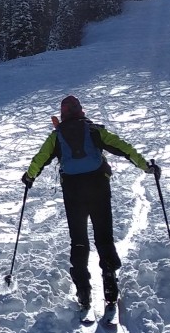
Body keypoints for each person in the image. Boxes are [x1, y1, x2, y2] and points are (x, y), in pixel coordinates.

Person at [20, 95, 159, 313]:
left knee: (78, 239)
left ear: (63, 114)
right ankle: (109, 281)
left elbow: (41, 158)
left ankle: (83, 291)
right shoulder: (94, 130)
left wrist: (30, 176)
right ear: (80, 110)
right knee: (103, 236)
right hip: (98, 188)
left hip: (73, 192)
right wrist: (146, 166)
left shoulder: (56, 136)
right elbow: (122, 147)